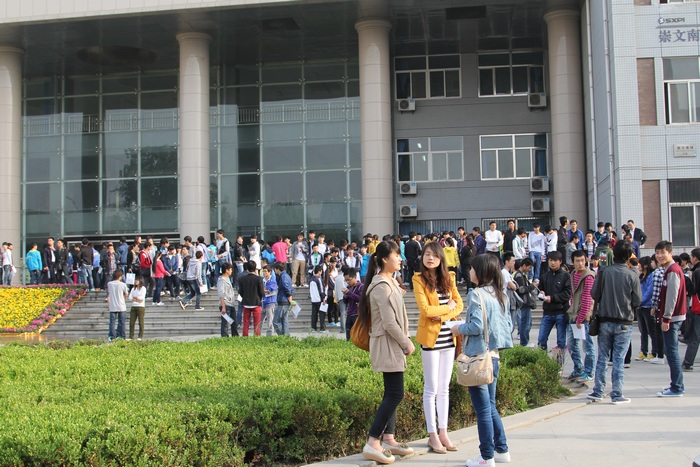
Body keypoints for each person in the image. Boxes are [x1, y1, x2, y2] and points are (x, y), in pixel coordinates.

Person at [450, 254, 513, 467]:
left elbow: (476, 326)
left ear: (481, 272)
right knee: (491, 406)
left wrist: (459, 328)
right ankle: (501, 450)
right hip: (493, 357)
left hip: (478, 359)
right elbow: (507, 327)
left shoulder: (476, 294)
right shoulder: (500, 294)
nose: (469, 271)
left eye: (472, 268)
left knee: (483, 410)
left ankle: (486, 456)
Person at [358, 240, 415, 464]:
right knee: (395, 393)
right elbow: (390, 322)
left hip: (391, 343)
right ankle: (373, 442)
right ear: (384, 259)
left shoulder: (390, 282)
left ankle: (389, 439)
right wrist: (406, 342)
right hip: (387, 343)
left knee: (391, 393)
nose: (400, 258)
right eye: (396, 255)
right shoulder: (381, 285)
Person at [413, 241, 463, 454]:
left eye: (434, 255)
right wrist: (446, 308)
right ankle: (432, 434)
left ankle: (443, 432)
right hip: (430, 340)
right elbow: (425, 310)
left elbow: (459, 305)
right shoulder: (418, 279)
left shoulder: (449, 278)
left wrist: (442, 314)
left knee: (444, 388)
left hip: (448, 339)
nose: (430, 258)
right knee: (431, 388)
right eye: (427, 254)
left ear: (441, 257)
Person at [588, 241, 641, 404]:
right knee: (618, 358)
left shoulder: (604, 272)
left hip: (605, 320)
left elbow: (594, 293)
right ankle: (617, 393)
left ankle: (598, 391)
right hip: (624, 321)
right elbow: (637, 300)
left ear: (614, 254)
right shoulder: (632, 275)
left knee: (602, 357)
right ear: (629, 256)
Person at [654, 241, 686, 397]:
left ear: (670, 253)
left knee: (671, 352)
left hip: (673, 317)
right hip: (672, 316)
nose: (659, 256)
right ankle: (675, 385)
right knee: (670, 351)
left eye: (663, 252)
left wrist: (666, 318)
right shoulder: (669, 269)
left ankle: (677, 387)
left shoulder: (673, 270)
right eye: (657, 253)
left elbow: (672, 296)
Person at [566, 250, 596, 382]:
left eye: (582, 260)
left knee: (588, 346)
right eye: (577, 261)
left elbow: (587, 299)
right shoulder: (573, 274)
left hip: (584, 317)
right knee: (571, 344)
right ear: (573, 262)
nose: (580, 263)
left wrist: (581, 317)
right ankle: (578, 368)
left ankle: (589, 372)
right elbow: (573, 295)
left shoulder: (588, 276)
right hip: (573, 314)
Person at [537, 251, 571, 359]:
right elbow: (540, 290)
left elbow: (567, 294)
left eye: (555, 261)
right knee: (541, 339)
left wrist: (552, 298)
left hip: (561, 312)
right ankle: (542, 362)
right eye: (550, 260)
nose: (552, 263)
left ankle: (559, 364)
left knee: (561, 341)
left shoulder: (566, 276)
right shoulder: (544, 276)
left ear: (560, 262)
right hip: (547, 312)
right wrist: (541, 294)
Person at [636, 256, 657, 362]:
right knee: (643, 331)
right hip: (640, 307)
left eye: (640, 264)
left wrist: (640, 301)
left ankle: (654, 352)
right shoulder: (640, 276)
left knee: (651, 331)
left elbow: (649, 291)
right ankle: (643, 351)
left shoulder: (651, 276)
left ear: (645, 265)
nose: (638, 266)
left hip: (647, 306)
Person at [513, 258, 536, 346]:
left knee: (528, 323)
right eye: (529, 267)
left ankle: (525, 341)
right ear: (524, 266)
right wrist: (532, 286)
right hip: (523, 303)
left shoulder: (522, 275)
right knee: (525, 324)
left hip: (526, 303)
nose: (529, 270)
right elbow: (521, 290)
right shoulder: (519, 276)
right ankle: (524, 342)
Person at [238, 260, 264, 336]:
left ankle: (245, 337)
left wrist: (244, 297)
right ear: (255, 268)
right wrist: (259, 298)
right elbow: (261, 292)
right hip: (256, 302)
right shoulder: (258, 279)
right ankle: (257, 337)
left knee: (246, 323)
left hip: (246, 303)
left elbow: (240, 291)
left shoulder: (242, 279)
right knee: (257, 323)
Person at [106, 269, 129, 341]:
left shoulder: (109, 284)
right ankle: (121, 336)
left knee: (112, 322)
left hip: (113, 305)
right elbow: (126, 294)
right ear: (120, 276)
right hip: (121, 305)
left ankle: (111, 336)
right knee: (121, 322)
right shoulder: (123, 284)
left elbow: (109, 294)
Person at [218, 262, 239, 337]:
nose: (231, 271)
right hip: (225, 304)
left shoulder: (228, 279)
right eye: (230, 269)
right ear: (226, 270)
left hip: (231, 304)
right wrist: (223, 307)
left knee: (234, 322)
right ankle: (224, 337)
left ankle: (235, 336)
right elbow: (221, 294)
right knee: (225, 323)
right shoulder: (221, 280)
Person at [273, 262, 294, 336]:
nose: (275, 271)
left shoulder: (283, 276)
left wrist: (289, 296)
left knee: (275, 321)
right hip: (286, 301)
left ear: (278, 269)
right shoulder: (287, 276)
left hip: (283, 300)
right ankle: (286, 336)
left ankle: (281, 335)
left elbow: (286, 288)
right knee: (284, 320)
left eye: (275, 269)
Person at [343, 268, 363, 340]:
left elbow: (360, 298)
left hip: (357, 314)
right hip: (349, 313)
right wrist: (345, 296)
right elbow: (345, 302)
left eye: (349, 280)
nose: (347, 282)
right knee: (348, 336)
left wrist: (348, 293)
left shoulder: (361, 287)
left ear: (355, 277)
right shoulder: (348, 287)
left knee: (357, 336)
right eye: (346, 280)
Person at [310, 265, 327, 333]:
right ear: (319, 271)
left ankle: (313, 327)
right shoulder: (318, 279)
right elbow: (321, 289)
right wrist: (323, 297)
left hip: (313, 299)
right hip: (319, 299)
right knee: (322, 314)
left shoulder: (311, 279)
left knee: (314, 314)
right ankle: (322, 328)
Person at [261, 265, 277, 336]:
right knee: (259, 320)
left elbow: (270, 290)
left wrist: (262, 290)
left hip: (270, 302)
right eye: (263, 271)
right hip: (263, 301)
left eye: (265, 271)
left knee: (270, 320)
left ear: (269, 272)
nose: (264, 273)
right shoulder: (262, 280)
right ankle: (257, 333)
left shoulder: (272, 280)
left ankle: (269, 335)